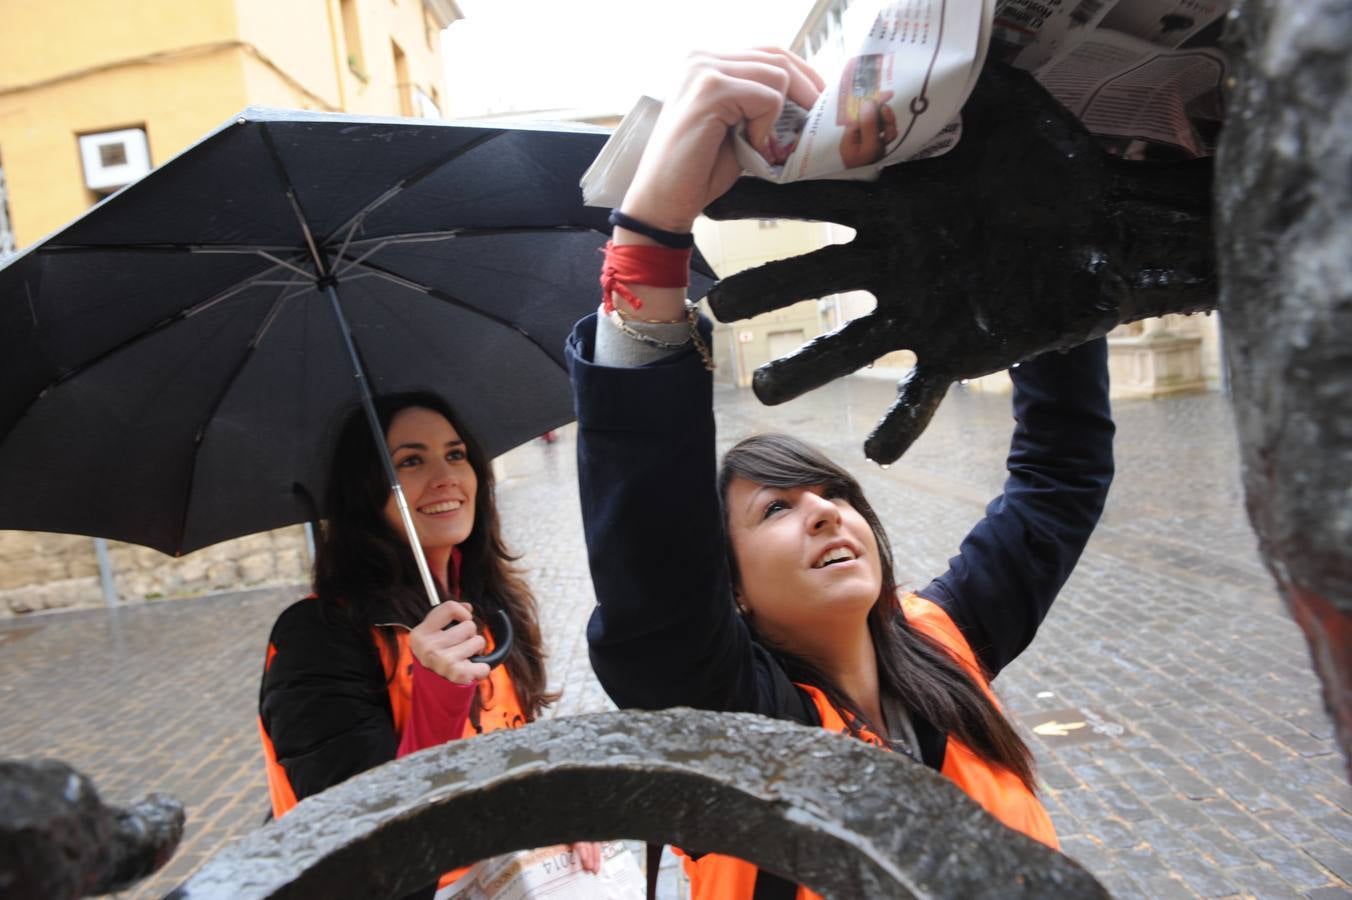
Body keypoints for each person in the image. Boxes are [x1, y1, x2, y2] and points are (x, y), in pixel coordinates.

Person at [566, 49, 1114, 899]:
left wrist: (1045, 286)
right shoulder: (733, 732)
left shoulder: (945, 642)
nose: (825, 512)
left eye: (836, 494)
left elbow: (1059, 475)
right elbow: (653, 575)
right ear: (730, 590)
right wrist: (647, 243)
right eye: (776, 509)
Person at [257, 391, 600, 897]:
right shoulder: (318, 637)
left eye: (456, 454)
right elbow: (361, 842)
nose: (446, 478)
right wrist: (436, 697)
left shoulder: (484, 604)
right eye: (411, 461)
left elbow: (507, 745)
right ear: (364, 490)